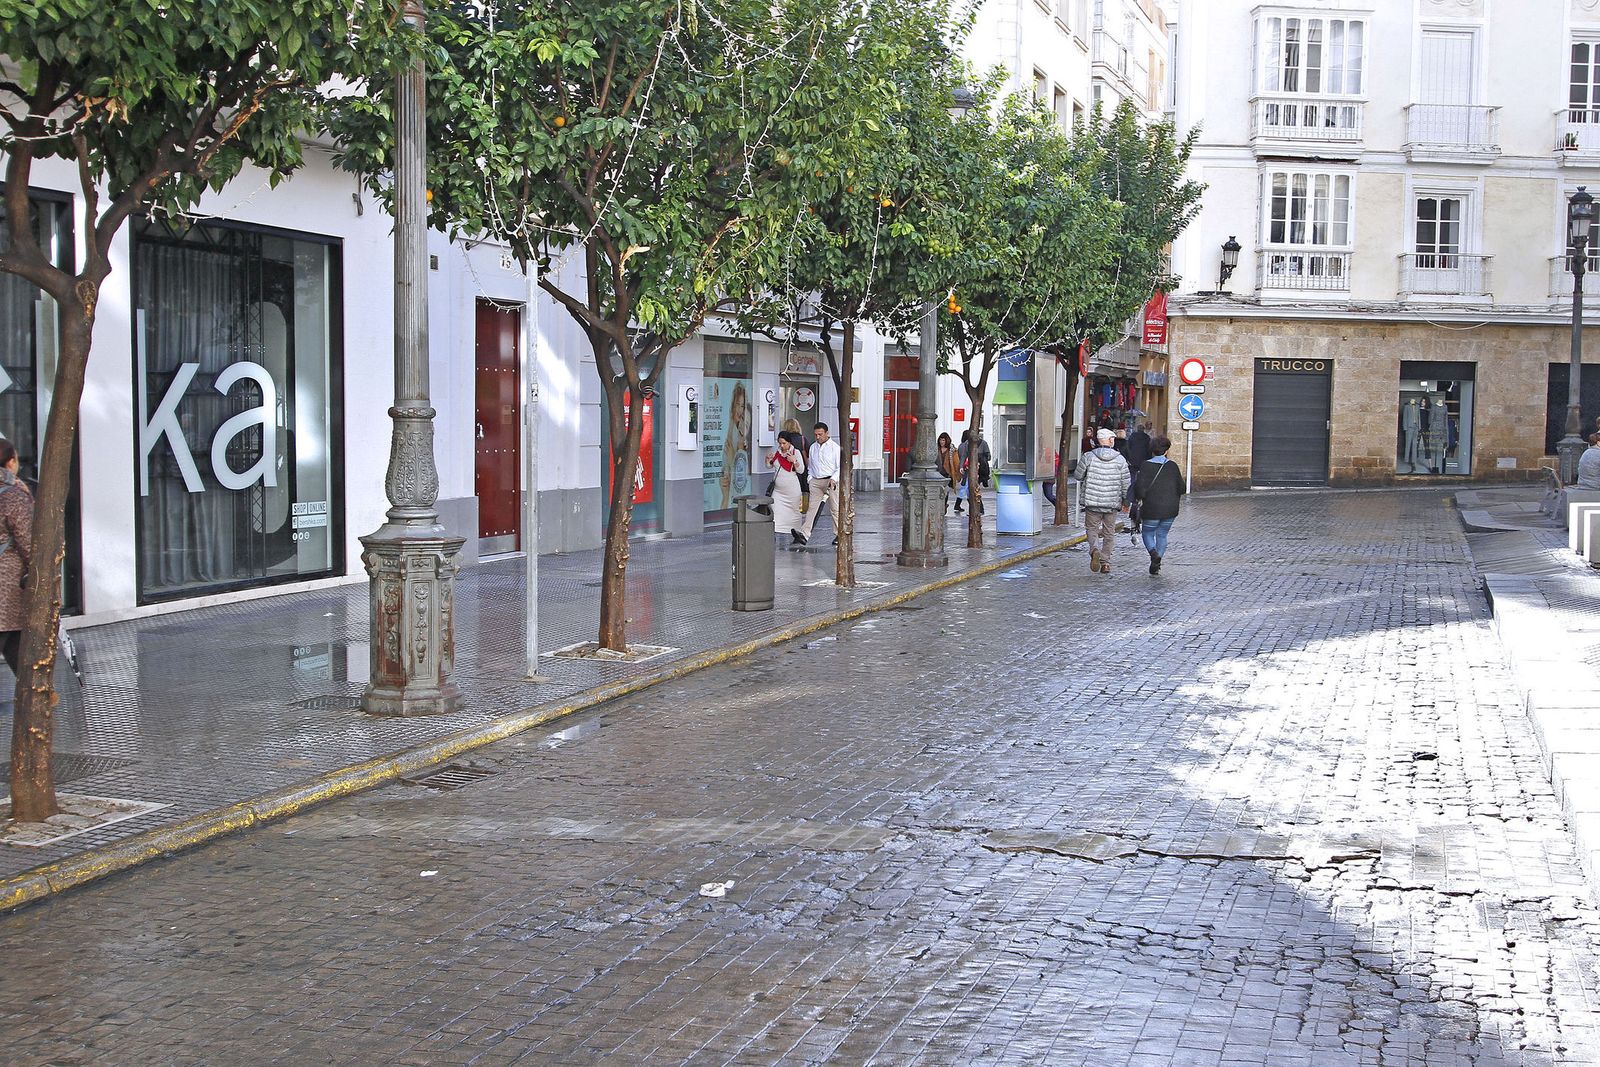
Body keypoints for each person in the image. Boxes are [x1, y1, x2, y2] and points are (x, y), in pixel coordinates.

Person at [1076, 426, 1129, 574]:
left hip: (1092, 502)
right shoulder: (1120, 459)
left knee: (1092, 529)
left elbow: (1078, 476)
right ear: (1111, 440)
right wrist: (1126, 501)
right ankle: (1105, 562)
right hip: (1112, 503)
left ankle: (1094, 550)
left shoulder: (1088, 456)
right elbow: (1126, 483)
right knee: (1109, 532)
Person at [0, 439, 32, 676]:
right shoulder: (13, 495)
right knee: (17, 649)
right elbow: (28, 542)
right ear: (11, 462)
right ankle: (35, 705)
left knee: (17, 649)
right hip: (7, 588)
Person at [1132, 434, 1186, 575]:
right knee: (1162, 534)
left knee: (1148, 533)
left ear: (1152, 450)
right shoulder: (1173, 466)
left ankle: (1153, 554)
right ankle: (1158, 561)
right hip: (1170, 509)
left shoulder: (1146, 466)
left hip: (1151, 509)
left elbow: (1140, 491)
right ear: (1166, 451)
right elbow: (1182, 488)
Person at [800, 422, 841, 544]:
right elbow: (811, 466)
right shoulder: (813, 447)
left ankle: (839, 534)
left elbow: (839, 467)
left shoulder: (835, 448)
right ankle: (804, 534)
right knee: (812, 508)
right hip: (816, 480)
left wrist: (834, 479)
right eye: (816, 435)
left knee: (835, 508)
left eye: (820, 434)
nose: (818, 437)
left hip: (830, 480)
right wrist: (810, 479)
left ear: (827, 433)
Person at [769, 433, 808, 545]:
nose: (782, 445)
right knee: (775, 510)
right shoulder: (777, 453)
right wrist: (768, 460)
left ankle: (796, 533)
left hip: (792, 490)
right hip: (778, 490)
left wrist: (794, 461)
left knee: (794, 511)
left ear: (789, 442)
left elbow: (801, 470)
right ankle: (773, 534)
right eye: (780, 443)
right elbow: (770, 465)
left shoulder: (796, 452)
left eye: (784, 443)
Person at [956, 430, 991, 515]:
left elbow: (988, 456)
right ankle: (976, 509)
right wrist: (961, 466)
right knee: (971, 489)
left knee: (974, 488)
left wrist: (981, 459)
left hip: (980, 470)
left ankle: (978, 509)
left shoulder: (983, 443)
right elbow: (964, 455)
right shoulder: (967, 443)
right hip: (969, 470)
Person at [937, 432, 959, 512]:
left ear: (947, 441)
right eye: (940, 440)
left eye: (943, 440)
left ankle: (944, 506)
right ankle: (940, 506)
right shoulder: (936, 449)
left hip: (947, 474)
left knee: (945, 491)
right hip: (937, 473)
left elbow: (956, 462)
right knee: (938, 491)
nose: (941, 442)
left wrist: (957, 474)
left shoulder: (952, 451)